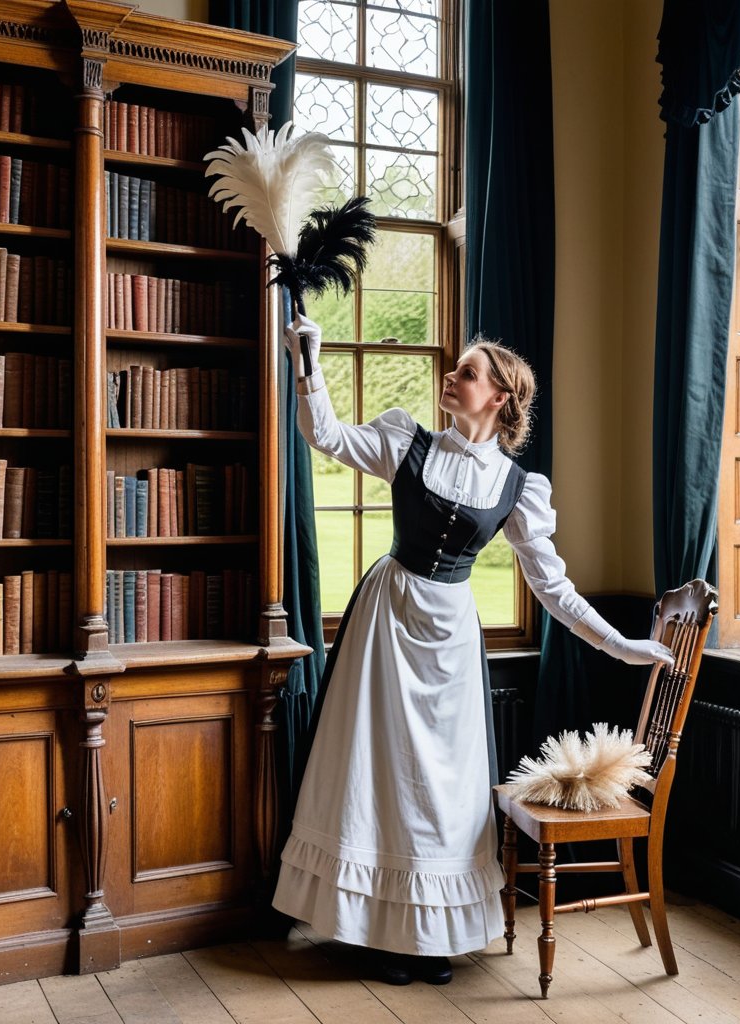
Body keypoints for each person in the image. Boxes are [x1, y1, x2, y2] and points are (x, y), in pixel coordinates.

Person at [271, 313, 674, 986]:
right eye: (455, 369)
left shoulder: (519, 490)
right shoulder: (407, 440)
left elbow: (554, 588)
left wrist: (620, 645)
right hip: (388, 620)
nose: (451, 377)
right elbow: (327, 436)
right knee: (380, 777)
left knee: (442, 789)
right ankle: (379, 937)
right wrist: (307, 362)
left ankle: (432, 940)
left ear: (500, 399)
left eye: (467, 372)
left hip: (451, 637)